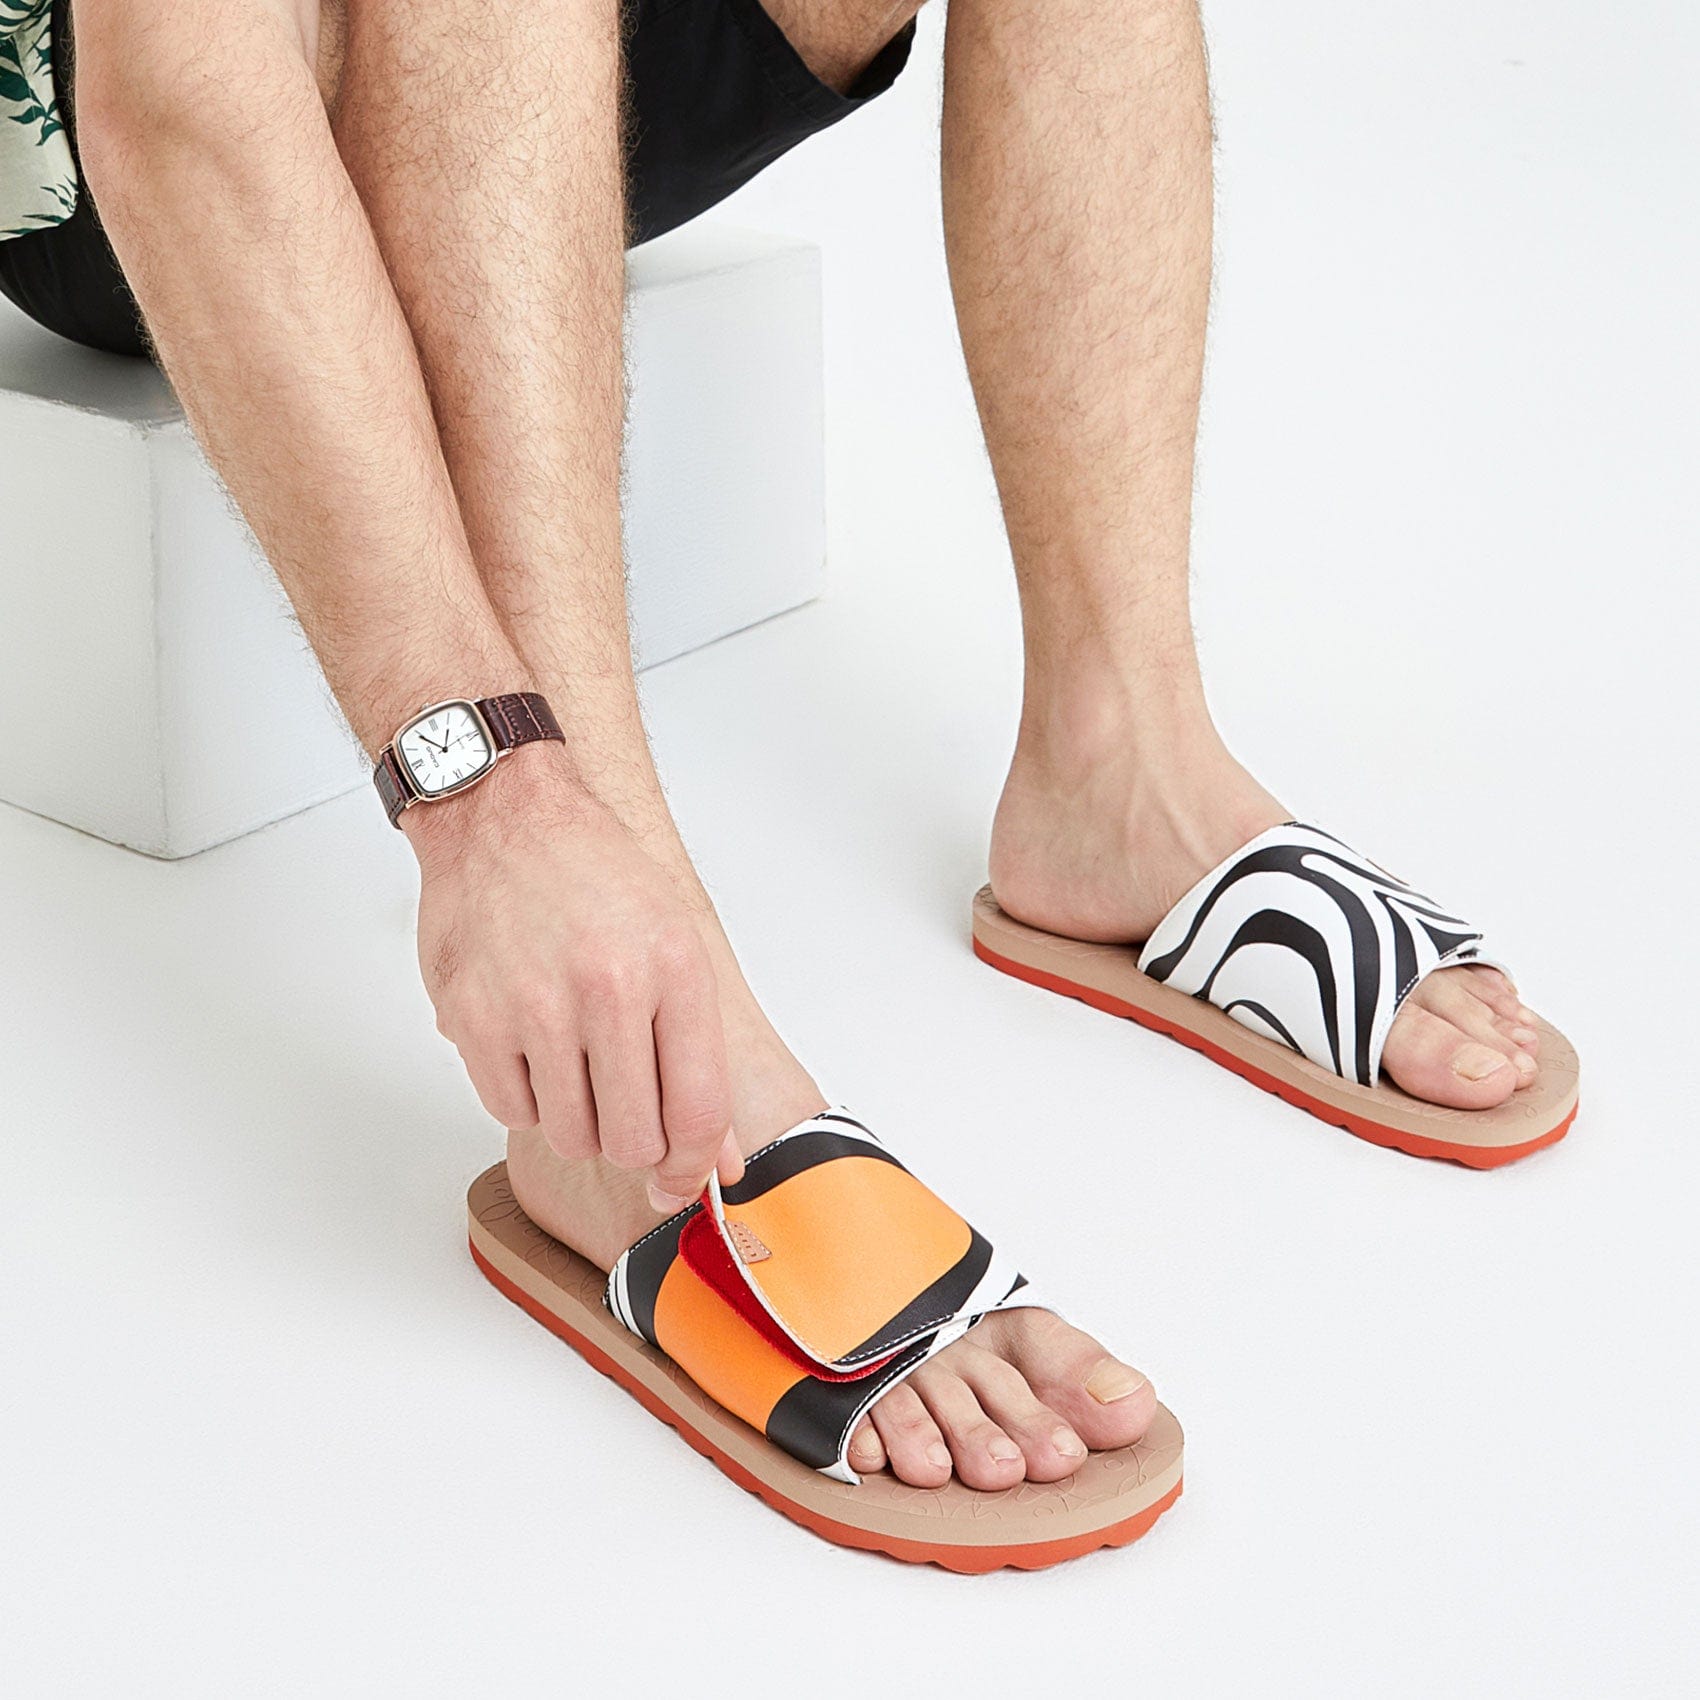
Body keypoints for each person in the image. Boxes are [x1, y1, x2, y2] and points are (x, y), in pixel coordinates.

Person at [0, 0, 1569, 1511]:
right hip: (115, 135)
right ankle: (629, 1079)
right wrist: (489, 803)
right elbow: (174, 84)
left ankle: (1120, 764)